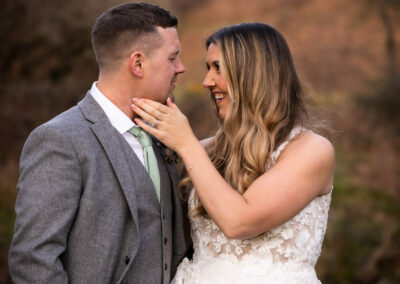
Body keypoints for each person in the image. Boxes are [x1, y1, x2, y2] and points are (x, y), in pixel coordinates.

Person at [131, 23, 335, 283]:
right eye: (208, 69)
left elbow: (239, 222)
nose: (207, 82)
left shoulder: (311, 151)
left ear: (254, 74)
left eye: (219, 68)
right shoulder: (203, 152)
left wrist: (185, 143)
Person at [9, 3, 187, 283]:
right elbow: (33, 261)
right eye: (173, 58)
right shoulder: (60, 140)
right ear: (137, 63)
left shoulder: (163, 133)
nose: (181, 68)